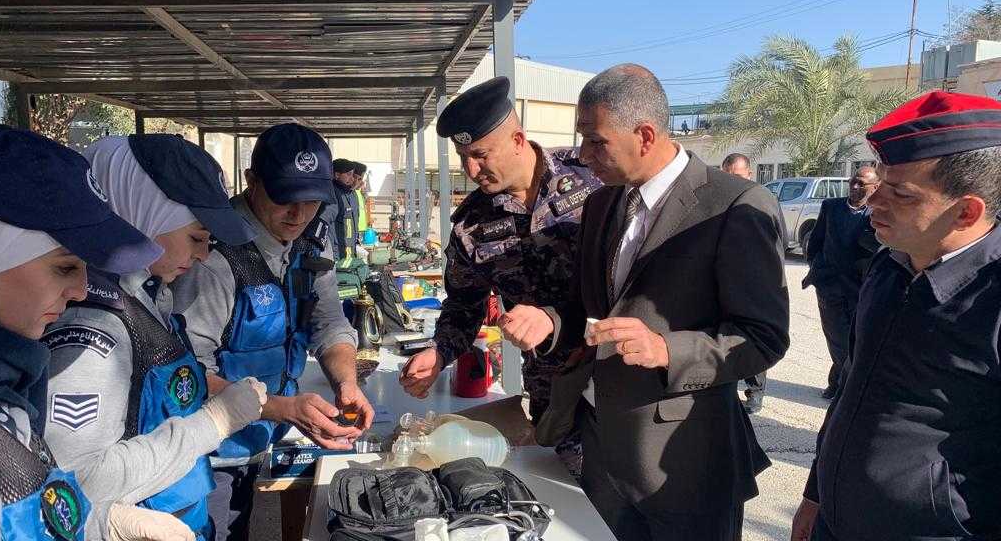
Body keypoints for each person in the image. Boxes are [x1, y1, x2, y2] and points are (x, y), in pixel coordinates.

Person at [519, 64, 789, 540]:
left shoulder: (735, 206)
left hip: (684, 465)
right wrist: (550, 321)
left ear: (644, 135)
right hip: (602, 450)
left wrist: (667, 349)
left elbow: (762, 337)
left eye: (595, 140)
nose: (582, 155)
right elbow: (594, 309)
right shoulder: (602, 203)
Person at [791, 92, 1001, 541]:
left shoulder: (992, 296)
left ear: (966, 211)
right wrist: (815, 494)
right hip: (835, 521)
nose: (874, 202)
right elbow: (850, 386)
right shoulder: (888, 266)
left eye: (900, 193)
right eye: (880, 183)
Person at [0, 123, 198, 541]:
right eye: (64, 267)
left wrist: (100, 524)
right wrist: (213, 426)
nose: (81, 290)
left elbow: (33, 508)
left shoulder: (5, 383)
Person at [42, 135, 268, 541]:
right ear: (144, 213)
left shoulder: (148, 297)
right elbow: (79, 485)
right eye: (197, 238)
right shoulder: (91, 326)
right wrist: (213, 423)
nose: (203, 255)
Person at [171, 124, 373, 541]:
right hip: (206, 452)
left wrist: (347, 382)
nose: (299, 215)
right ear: (252, 181)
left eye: (312, 200)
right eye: (285, 198)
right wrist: (283, 408)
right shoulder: (214, 257)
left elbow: (329, 323)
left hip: (261, 438)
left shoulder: (310, 245)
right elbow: (184, 375)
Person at [398, 76, 603, 474]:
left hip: (616, 377)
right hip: (553, 396)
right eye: (463, 157)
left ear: (518, 140)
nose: (471, 169)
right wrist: (439, 352)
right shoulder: (472, 224)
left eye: (480, 155)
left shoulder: (591, 176)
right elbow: (463, 304)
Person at [800, 165, 880, 400]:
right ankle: (844, 387)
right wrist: (817, 267)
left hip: (861, 289)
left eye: (861, 184)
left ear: (876, 187)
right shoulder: (831, 207)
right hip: (830, 286)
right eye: (852, 181)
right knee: (836, 338)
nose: (854, 186)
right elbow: (815, 241)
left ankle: (838, 381)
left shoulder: (879, 212)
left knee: (856, 339)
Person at [720, 152, 784, 413]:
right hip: (727, 280)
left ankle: (755, 391)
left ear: (749, 174)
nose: (732, 180)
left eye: (737, 175)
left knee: (752, 337)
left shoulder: (762, 199)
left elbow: (778, 238)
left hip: (756, 280)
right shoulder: (720, 199)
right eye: (727, 175)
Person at [331, 159, 361, 263]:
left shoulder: (350, 194)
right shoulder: (333, 194)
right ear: (337, 175)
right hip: (337, 252)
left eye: (352, 175)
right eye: (348, 174)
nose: (352, 179)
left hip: (349, 250)